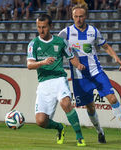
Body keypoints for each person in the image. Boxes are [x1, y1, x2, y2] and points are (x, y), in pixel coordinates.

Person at [58, 4, 121, 144]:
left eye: (81, 16)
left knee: (113, 98)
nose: (78, 19)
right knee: (90, 107)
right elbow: (55, 46)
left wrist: (116, 58)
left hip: (96, 73)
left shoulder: (93, 31)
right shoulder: (66, 32)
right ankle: (100, 132)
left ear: (86, 16)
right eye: (76, 16)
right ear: (72, 16)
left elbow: (105, 46)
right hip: (79, 77)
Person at [27, 14, 86, 147]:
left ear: (50, 26)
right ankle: (60, 128)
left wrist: (78, 65)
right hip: (44, 83)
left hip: (59, 79)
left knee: (66, 104)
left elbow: (71, 57)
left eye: (44, 27)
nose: (41, 30)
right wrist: (43, 62)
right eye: (39, 27)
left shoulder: (60, 42)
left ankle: (79, 136)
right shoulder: (33, 44)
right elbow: (29, 65)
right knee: (41, 121)